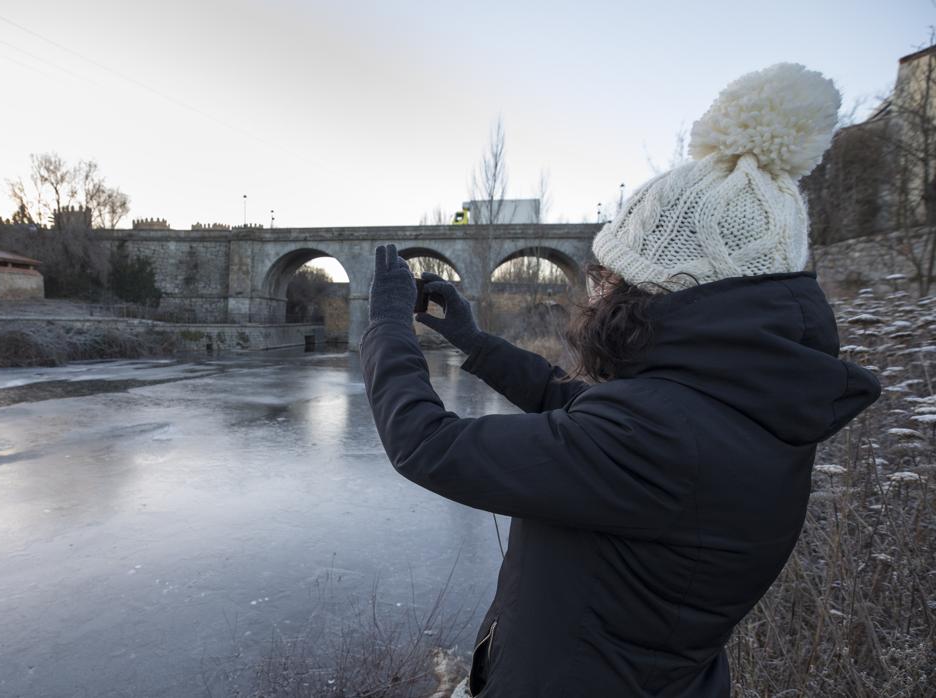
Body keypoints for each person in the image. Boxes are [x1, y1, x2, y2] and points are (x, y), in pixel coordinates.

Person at [360, 63, 882, 697]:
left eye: (610, 279)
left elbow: (427, 445)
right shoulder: (735, 404)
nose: (596, 293)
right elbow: (574, 402)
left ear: (663, 290)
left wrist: (388, 326)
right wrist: (474, 342)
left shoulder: (662, 438)